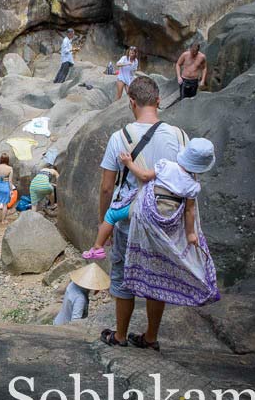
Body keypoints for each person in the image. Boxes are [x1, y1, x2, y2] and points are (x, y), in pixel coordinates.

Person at [96, 76, 188, 350]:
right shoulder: (180, 137)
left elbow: (106, 187)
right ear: (159, 101)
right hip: (164, 219)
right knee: (155, 272)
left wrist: (104, 221)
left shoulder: (120, 138)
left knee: (124, 273)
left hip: (128, 218)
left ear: (132, 102)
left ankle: (121, 336)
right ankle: (150, 336)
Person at [83, 137, 216, 260]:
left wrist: (128, 163)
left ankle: (98, 247)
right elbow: (189, 210)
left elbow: (144, 176)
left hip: (146, 209)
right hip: (166, 220)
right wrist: (191, 234)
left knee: (111, 215)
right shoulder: (193, 187)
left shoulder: (166, 165)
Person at [0, 153, 14, 223]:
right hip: (5, 187)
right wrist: (11, 190)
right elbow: (10, 181)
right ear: (8, 160)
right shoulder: (10, 169)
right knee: (5, 205)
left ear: (0, 159)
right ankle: (3, 220)